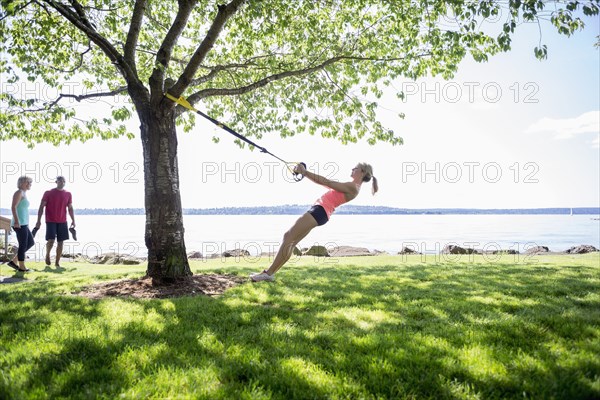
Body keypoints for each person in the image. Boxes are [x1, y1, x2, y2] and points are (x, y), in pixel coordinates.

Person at [251, 162, 378, 282]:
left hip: (320, 211)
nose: (352, 169)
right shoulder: (352, 186)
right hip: (321, 213)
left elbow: (326, 182)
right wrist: (304, 173)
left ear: (362, 172)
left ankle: (268, 273)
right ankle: (270, 274)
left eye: (355, 168)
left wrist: (305, 172)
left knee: (288, 237)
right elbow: (326, 184)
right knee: (291, 241)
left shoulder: (353, 187)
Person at [35, 176, 76, 267]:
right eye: (60, 181)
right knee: (51, 240)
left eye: (63, 181)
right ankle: (47, 255)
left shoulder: (68, 194)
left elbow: (70, 208)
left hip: (62, 221)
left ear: (65, 182)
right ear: (56, 182)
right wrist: (38, 220)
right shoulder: (48, 193)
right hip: (50, 220)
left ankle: (57, 262)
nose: (62, 182)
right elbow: (41, 206)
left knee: (61, 242)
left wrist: (73, 220)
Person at [7, 176, 34, 272]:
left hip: (24, 223)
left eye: (30, 183)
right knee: (23, 244)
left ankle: (14, 262)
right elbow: (13, 207)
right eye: (27, 182)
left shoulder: (24, 194)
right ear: (21, 183)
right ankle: (22, 267)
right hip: (18, 223)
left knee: (30, 242)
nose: (29, 184)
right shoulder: (18, 192)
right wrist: (17, 221)